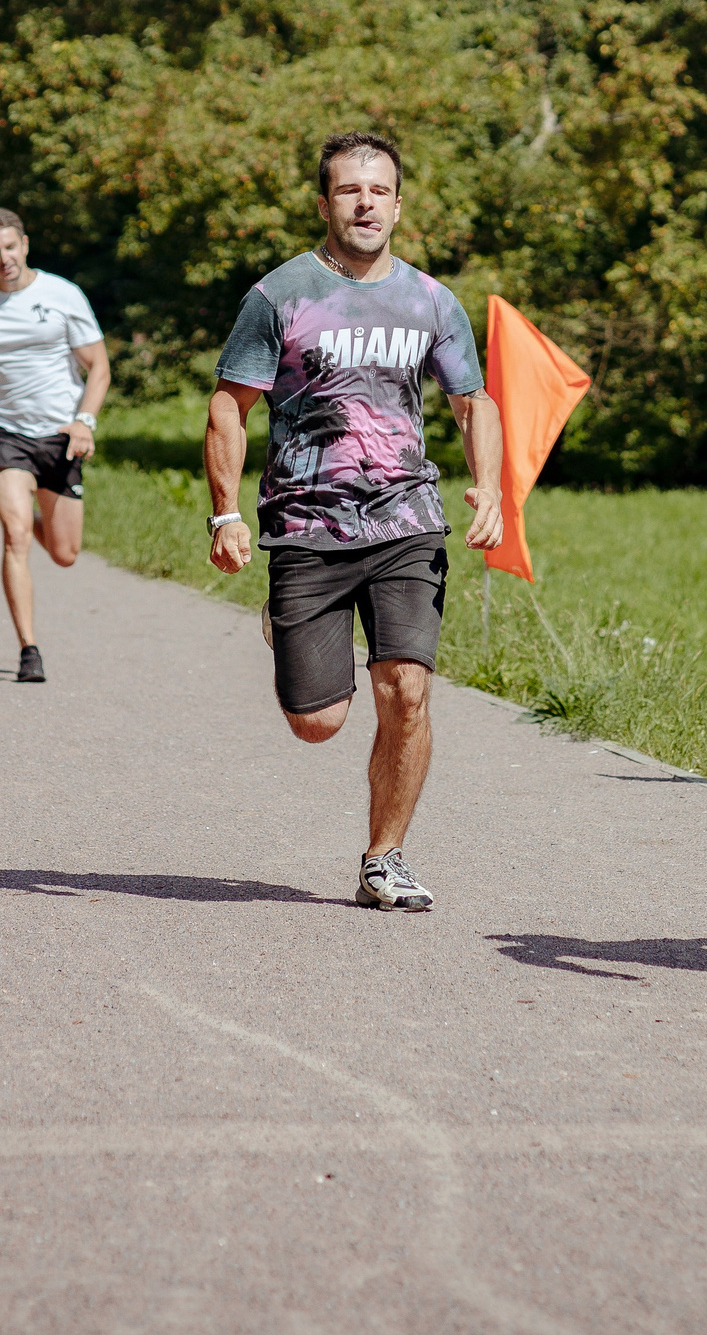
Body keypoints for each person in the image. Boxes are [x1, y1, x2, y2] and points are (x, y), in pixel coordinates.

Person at [205, 132, 505, 912]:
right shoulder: (279, 297)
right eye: (349, 191)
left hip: (408, 518)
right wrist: (227, 513)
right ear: (325, 204)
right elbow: (228, 407)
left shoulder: (432, 301)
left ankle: (385, 858)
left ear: (399, 204)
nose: (365, 203)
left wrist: (491, 487)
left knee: (406, 689)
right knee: (317, 722)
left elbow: (473, 402)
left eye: (379, 191)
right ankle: (287, 618)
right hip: (308, 524)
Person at [0, 209, 111, 685]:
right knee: (14, 535)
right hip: (6, 434)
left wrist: (84, 422)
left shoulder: (62, 295)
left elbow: (98, 367)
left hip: (60, 436)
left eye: (10, 247)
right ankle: (28, 650)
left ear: (25, 245)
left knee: (64, 552)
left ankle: (43, 516)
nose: (3, 258)